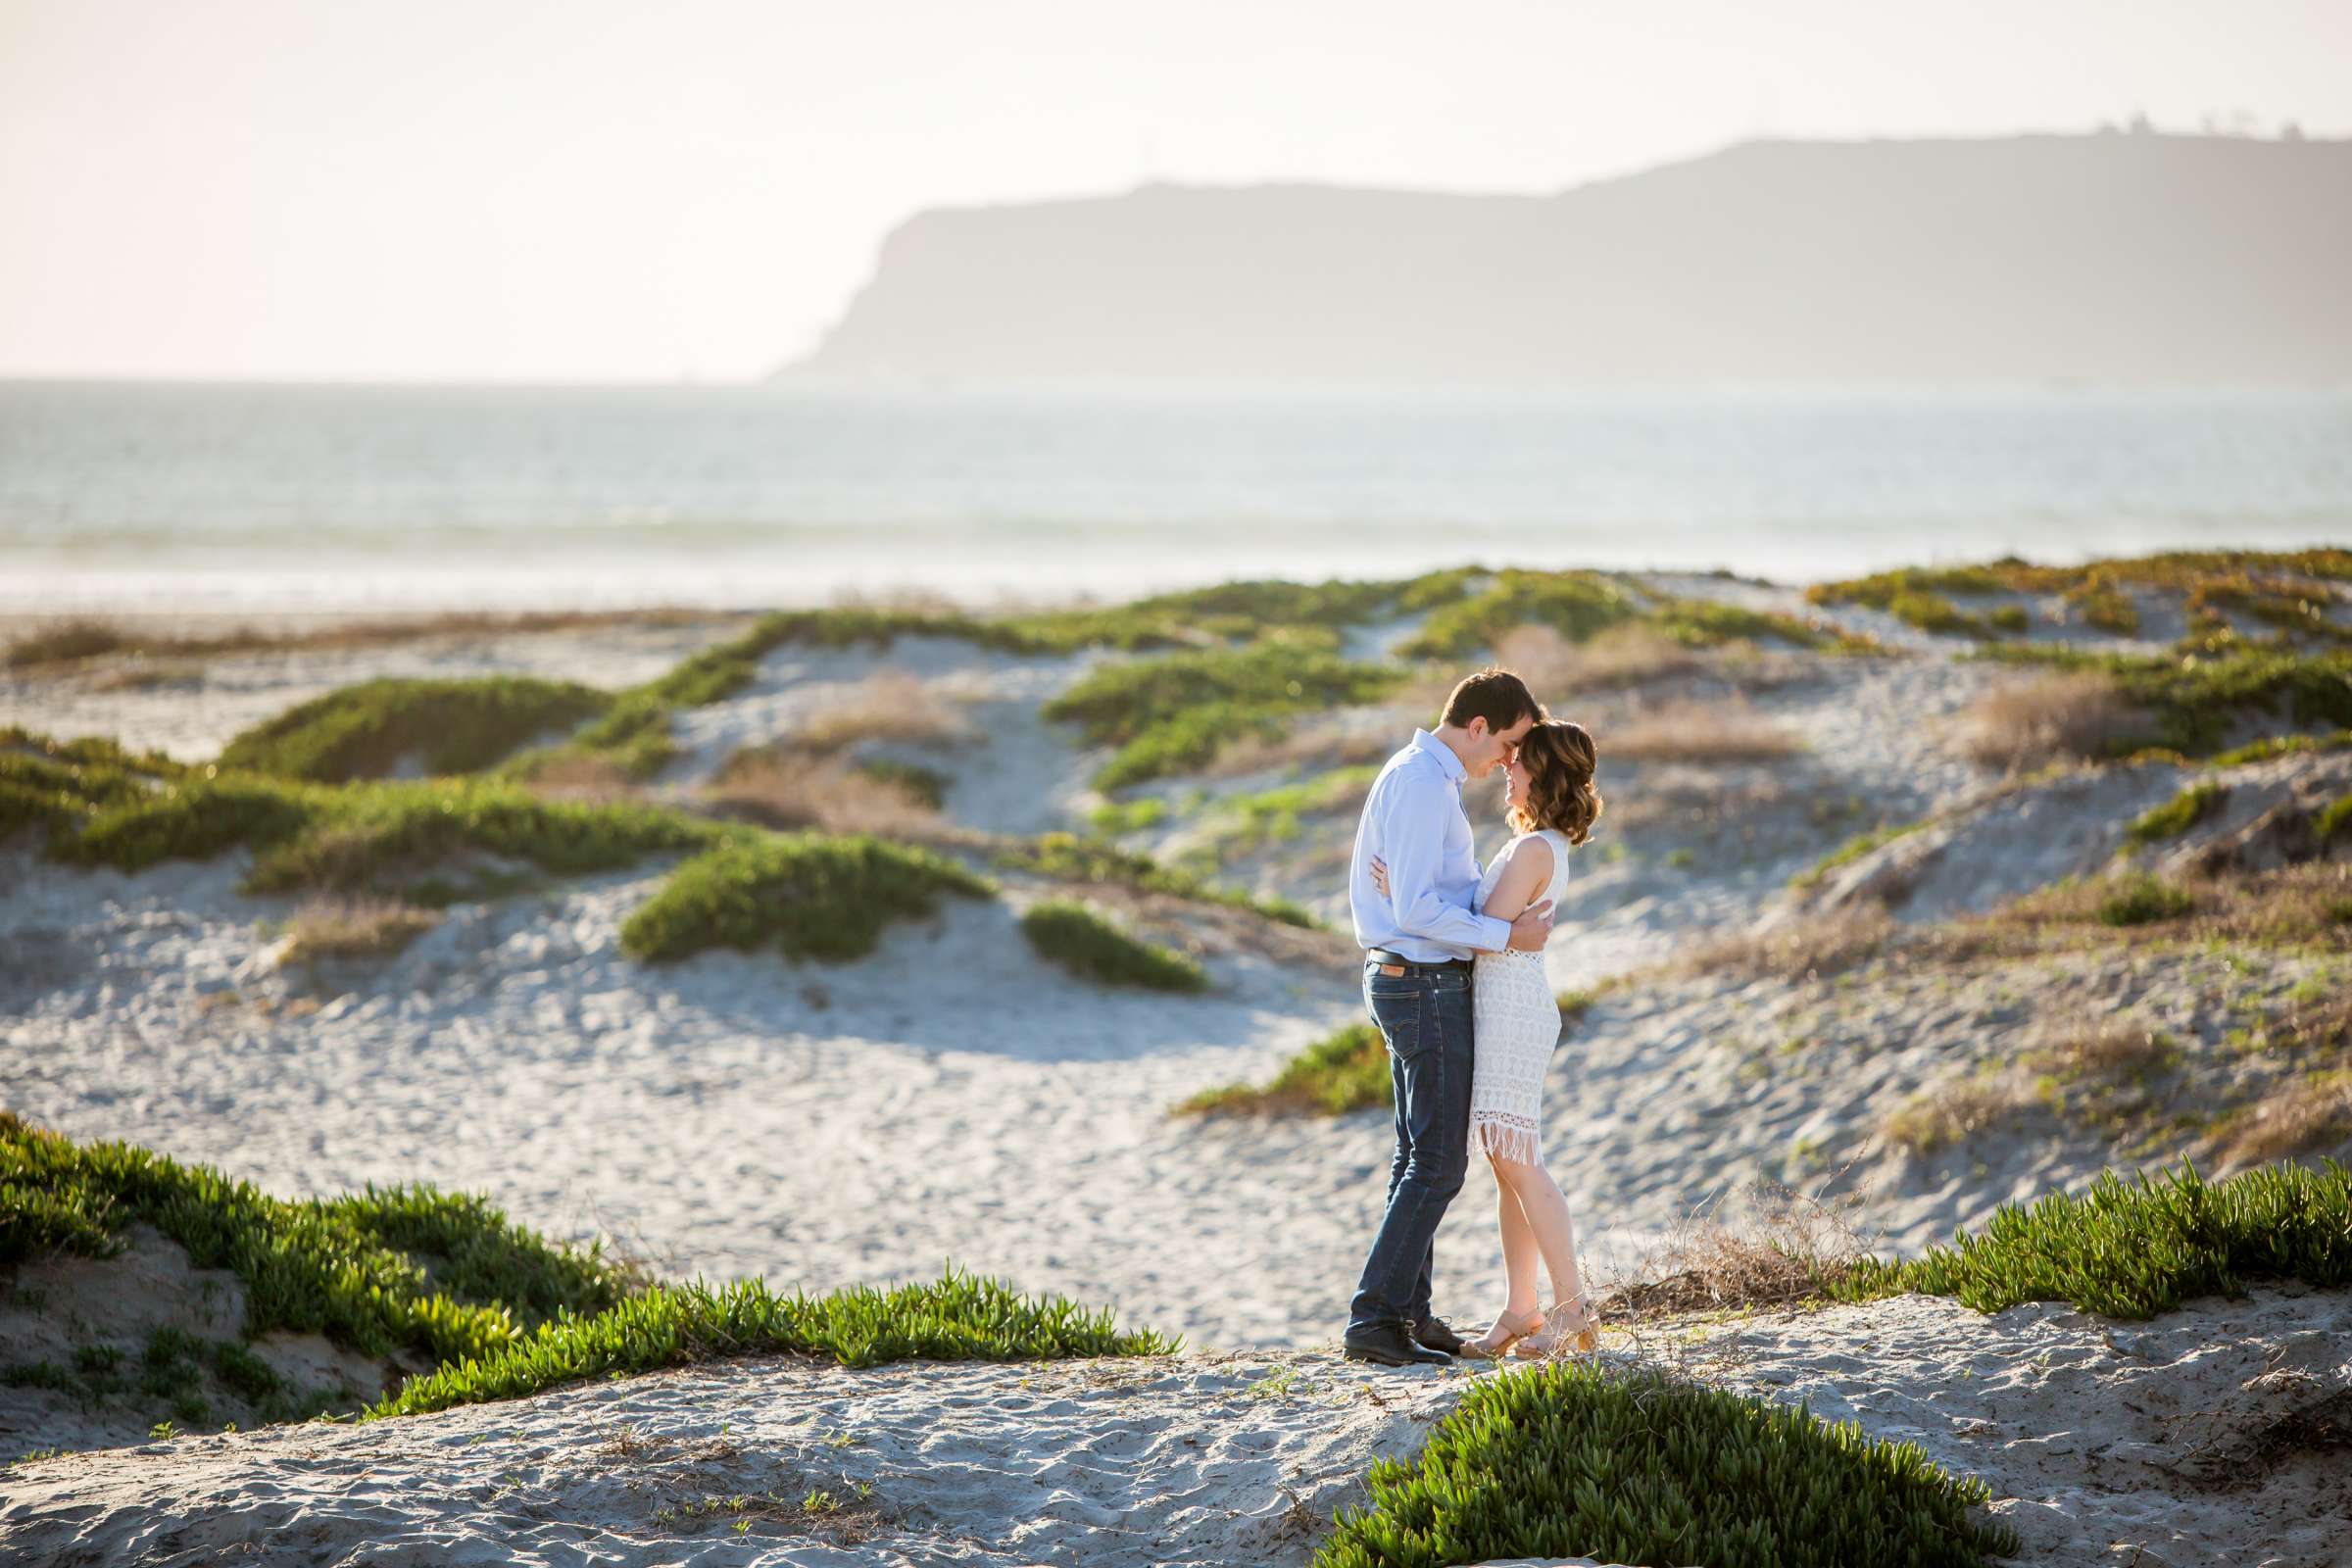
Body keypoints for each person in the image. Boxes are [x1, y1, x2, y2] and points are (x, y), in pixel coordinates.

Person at [1341, 667, 1554, 1368]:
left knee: (1417, 1156)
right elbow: (1414, 912)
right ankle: (1375, 1320)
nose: (1510, 762)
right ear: (1479, 727)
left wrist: (1430, 897)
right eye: (1511, 743)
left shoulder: (1424, 779)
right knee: (1437, 1163)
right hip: (1420, 984)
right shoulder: (1422, 784)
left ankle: (1408, 1313)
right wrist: (1507, 936)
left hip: (1417, 978)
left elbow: (1426, 893)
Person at [1377, 717, 1606, 1358]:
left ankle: (1571, 1308)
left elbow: (1483, 928)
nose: (1507, 768)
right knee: (1509, 1169)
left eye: (1519, 763)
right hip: (1505, 1009)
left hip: (1511, 1014)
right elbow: (1487, 924)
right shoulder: (1537, 844)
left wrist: (1408, 896)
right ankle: (1521, 1309)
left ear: (1545, 774)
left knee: (1520, 1163)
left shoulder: (1535, 850)